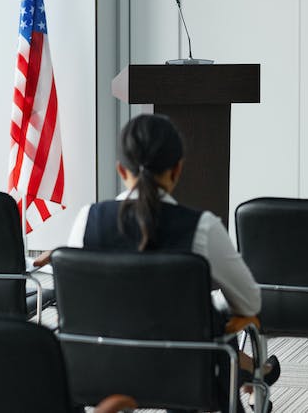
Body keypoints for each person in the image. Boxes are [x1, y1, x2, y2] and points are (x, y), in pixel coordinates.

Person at [35, 114, 279, 410]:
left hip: (98, 373)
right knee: (213, 326)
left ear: (121, 170)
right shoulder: (203, 228)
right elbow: (250, 303)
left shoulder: (87, 220)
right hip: (185, 378)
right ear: (177, 169)